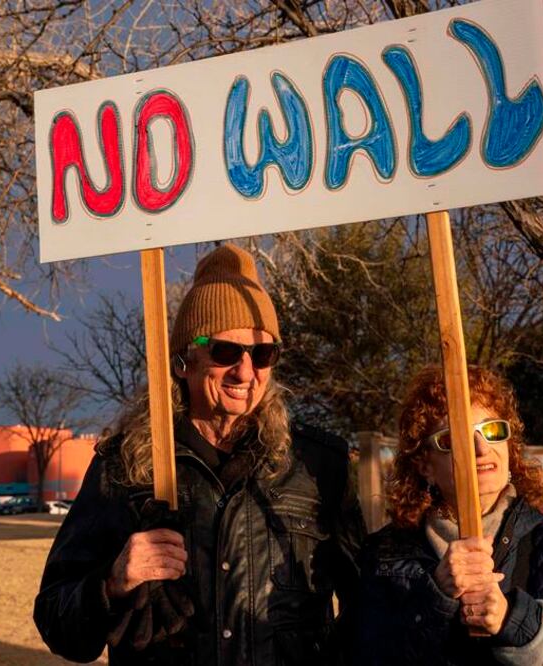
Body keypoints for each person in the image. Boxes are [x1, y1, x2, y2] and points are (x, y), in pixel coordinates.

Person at [35, 243, 366, 665]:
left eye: (263, 354)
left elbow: (369, 610)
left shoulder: (319, 465)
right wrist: (112, 582)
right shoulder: (125, 465)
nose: (246, 372)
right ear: (182, 361)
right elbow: (56, 623)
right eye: (226, 352)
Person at [355, 365, 543, 665]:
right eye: (454, 438)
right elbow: (357, 654)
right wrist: (435, 599)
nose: (481, 449)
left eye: (492, 430)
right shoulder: (386, 555)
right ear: (424, 464)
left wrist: (521, 622)